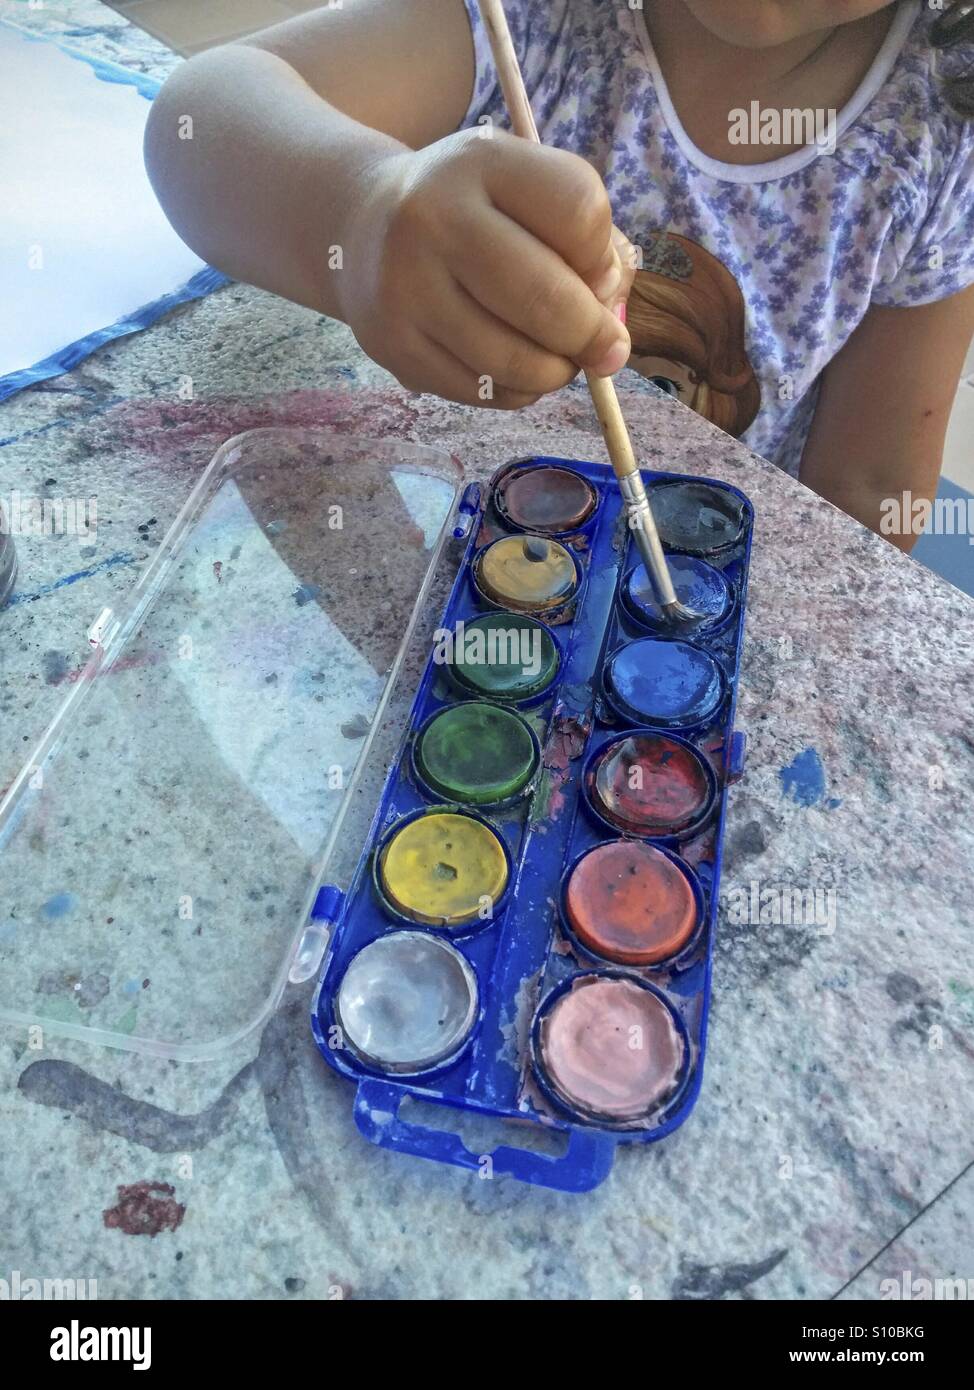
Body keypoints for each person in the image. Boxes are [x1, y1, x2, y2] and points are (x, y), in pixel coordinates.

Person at [145, 1, 974, 549]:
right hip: (446, 546)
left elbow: (869, 489)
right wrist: (360, 212)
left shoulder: (938, 138)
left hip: (688, 588)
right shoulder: (531, 17)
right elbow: (200, 116)